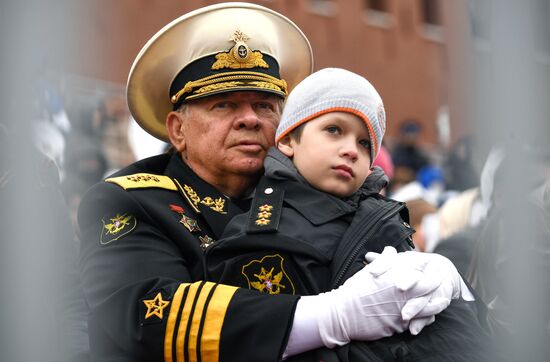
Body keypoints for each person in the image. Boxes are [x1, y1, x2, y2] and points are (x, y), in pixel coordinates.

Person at [78, 3, 470, 361]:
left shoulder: (317, 190)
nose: (250, 118)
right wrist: (330, 317)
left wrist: (447, 283)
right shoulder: (132, 200)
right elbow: (148, 313)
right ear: (178, 129)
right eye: (224, 104)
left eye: (264, 105)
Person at [204, 68, 489, 361]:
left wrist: (457, 289)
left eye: (364, 143)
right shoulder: (260, 236)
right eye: (334, 130)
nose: (351, 150)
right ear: (289, 140)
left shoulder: (385, 219)